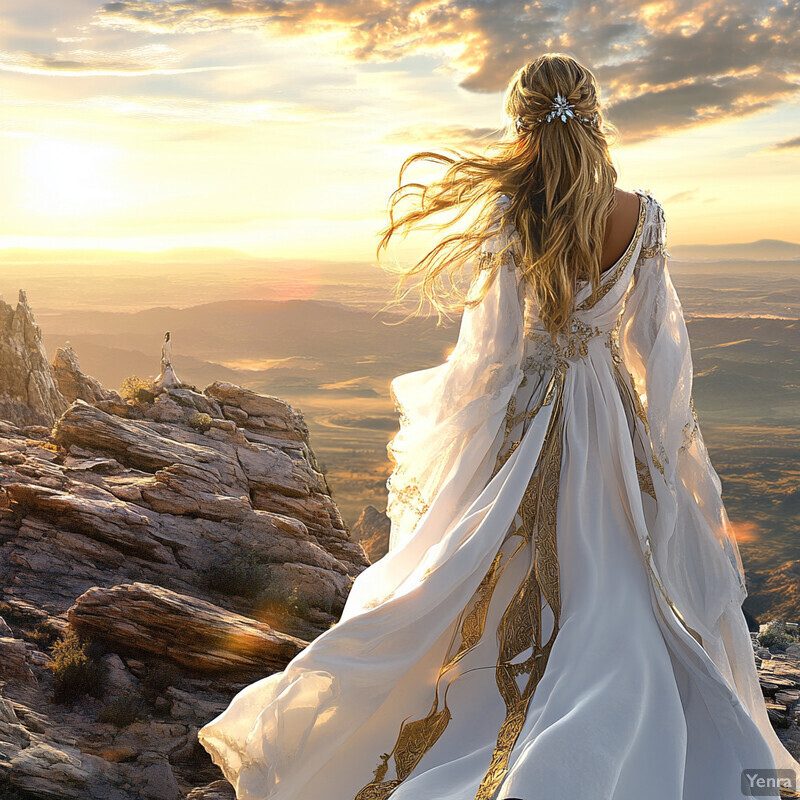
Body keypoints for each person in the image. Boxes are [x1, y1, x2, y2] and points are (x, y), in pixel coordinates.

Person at [197, 52, 800, 799]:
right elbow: (657, 349)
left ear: (522, 122)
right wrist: (664, 444)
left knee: (490, 563)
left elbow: (491, 350)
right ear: (594, 112)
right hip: (609, 413)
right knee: (617, 571)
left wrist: (463, 434)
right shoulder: (640, 215)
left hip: (533, 410)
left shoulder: (516, 213)